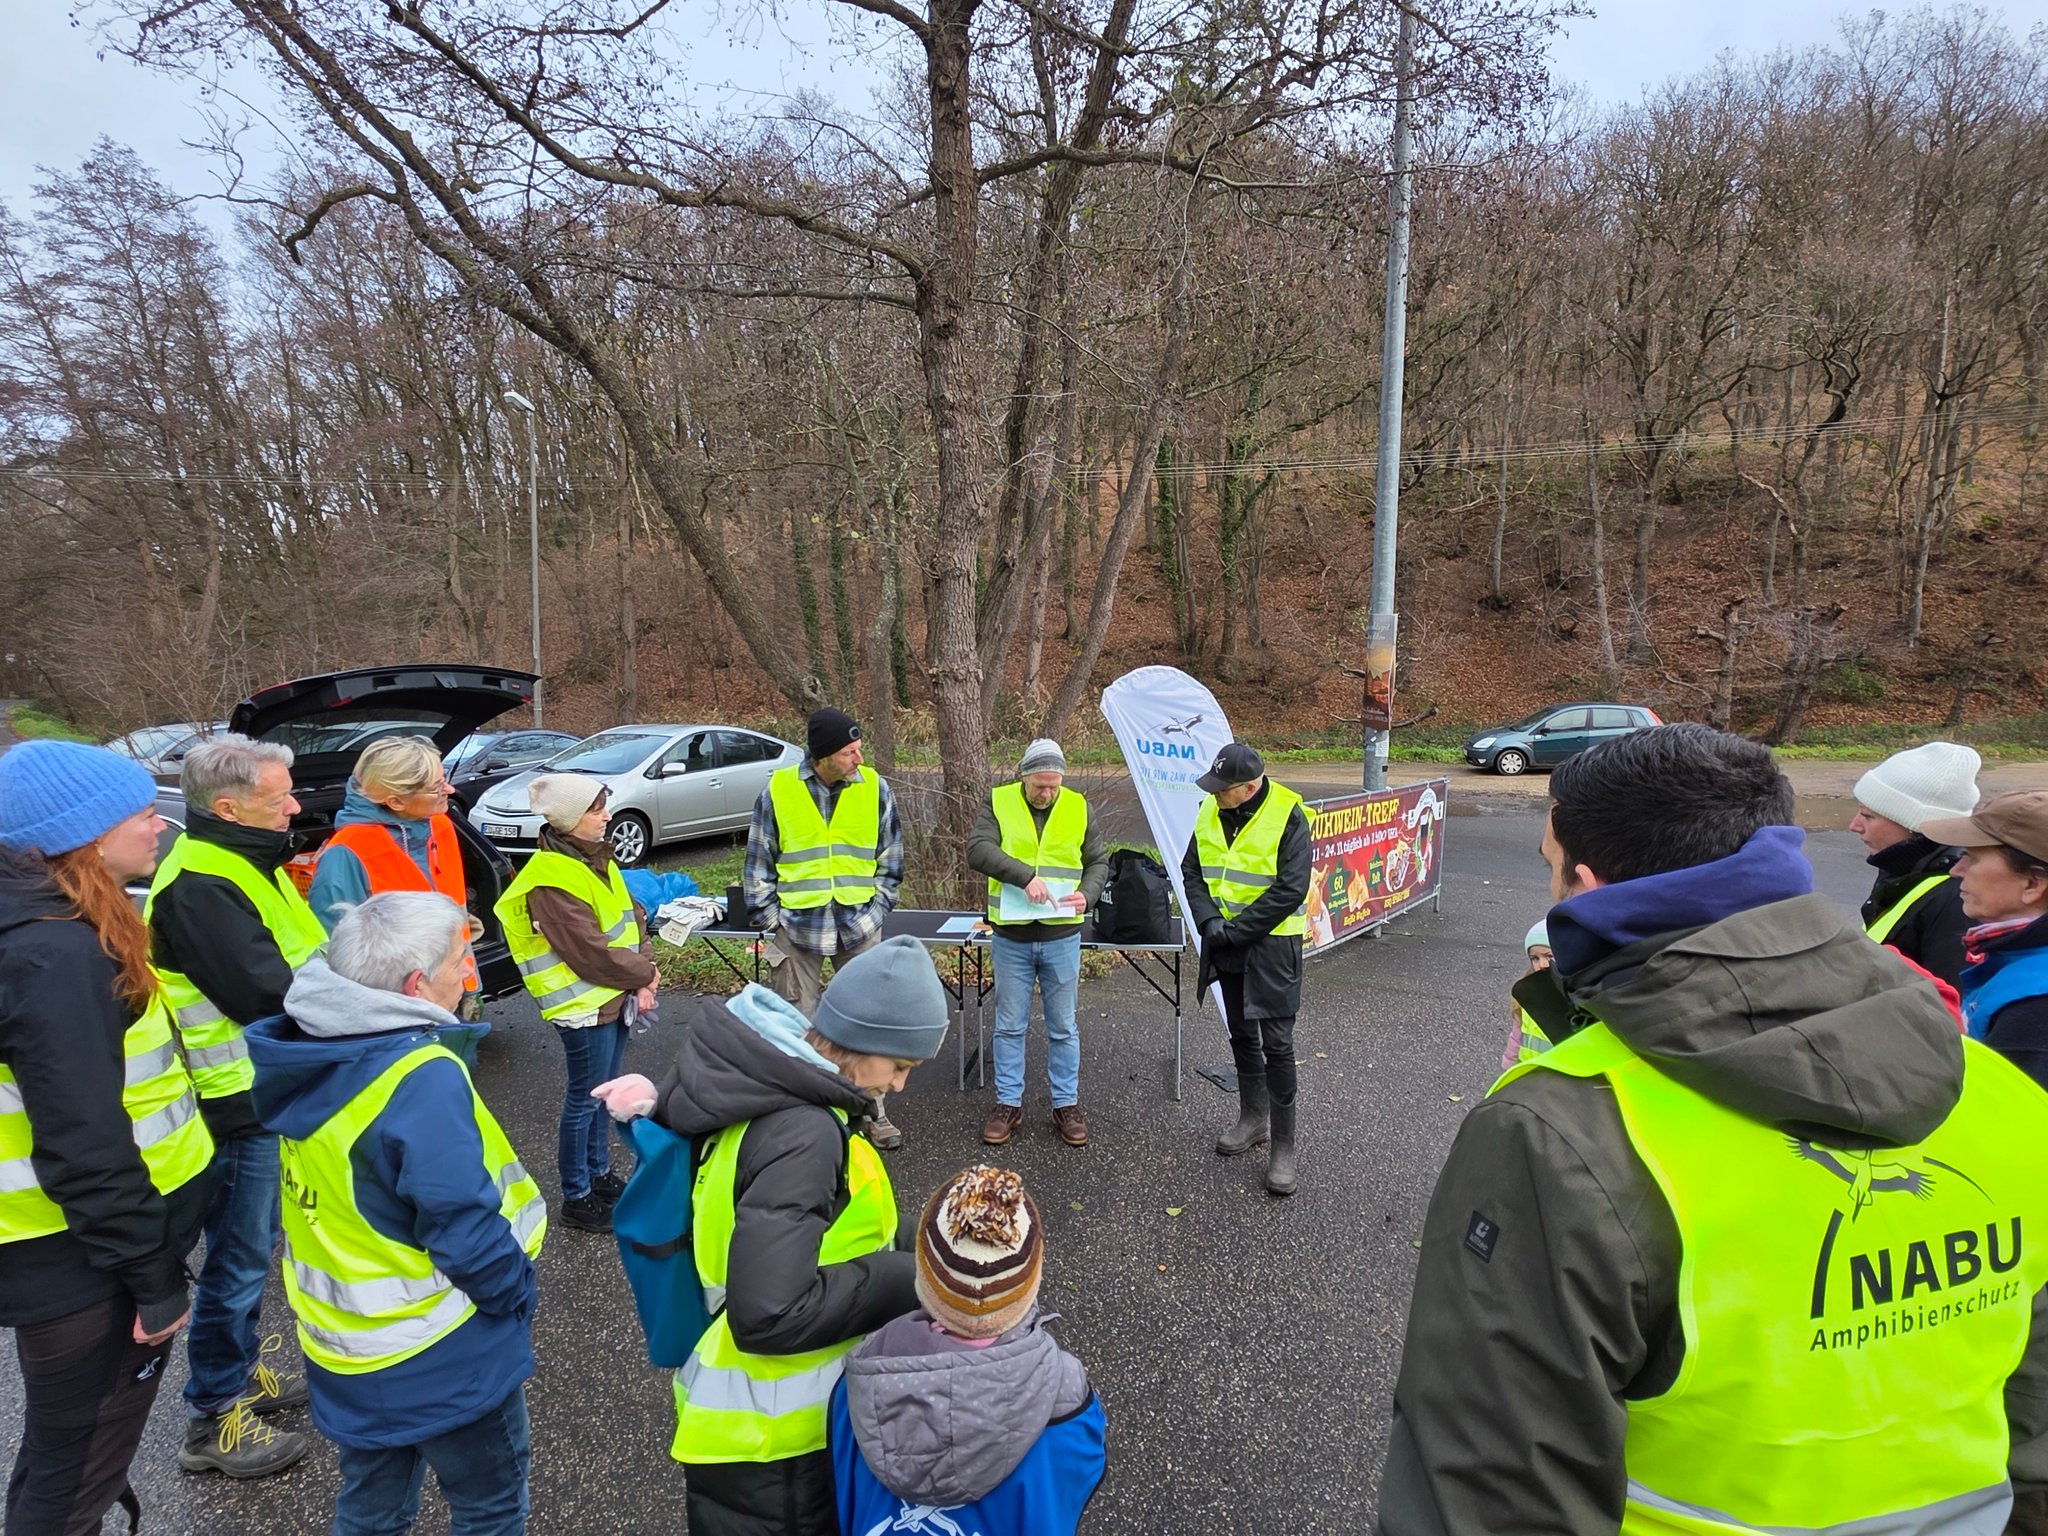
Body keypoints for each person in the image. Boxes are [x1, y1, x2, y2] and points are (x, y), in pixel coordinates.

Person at [1377, 725, 2048, 1536]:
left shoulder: (1564, 1125)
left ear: (1586, 885)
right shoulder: (2007, 1095)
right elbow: (2033, 1411)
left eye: (1550, 867)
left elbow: (1492, 1488)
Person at [592, 934, 949, 1536]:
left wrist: (934, 1243)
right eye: (901, 1066)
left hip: (747, 1432)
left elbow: (830, 1226)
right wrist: (912, 1280)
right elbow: (770, 1315)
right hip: (772, 1443)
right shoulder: (804, 1134)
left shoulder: (769, 1087)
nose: (901, 1085)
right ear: (866, 1045)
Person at [248, 891, 546, 1536]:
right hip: (442, 1346)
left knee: (372, 1508)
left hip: (346, 1345)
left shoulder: (313, 1048)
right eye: (460, 961)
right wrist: (515, 1295)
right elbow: (462, 1226)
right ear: (416, 984)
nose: (468, 974)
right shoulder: (418, 1073)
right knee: (490, 1507)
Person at [0, 740, 217, 1535]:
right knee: (76, 1476)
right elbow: (84, 1143)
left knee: (65, 1455)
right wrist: (153, 1277)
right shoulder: (54, 953)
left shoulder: (49, 924)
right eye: (137, 811)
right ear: (83, 835)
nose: (158, 824)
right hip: (84, 1264)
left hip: (72, 1252)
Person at [144, 734, 318, 1477]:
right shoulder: (204, 883)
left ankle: (238, 1375)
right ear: (228, 806)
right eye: (281, 795)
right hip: (234, 1101)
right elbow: (267, 995)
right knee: (240, 1260)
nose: (296, 805)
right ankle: (212, 1419)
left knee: (252, 1251)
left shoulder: (245, 861)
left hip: (259, 1091)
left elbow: (297, 959)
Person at [829, 1165, 1107, 1536]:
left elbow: (844, 1491)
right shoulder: (1065, 1397)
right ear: (1031, 1282)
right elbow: (1076, 1483)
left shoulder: (858, 1382)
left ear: (923, 1277)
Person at [493, 773, 658, 1234]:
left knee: (602, 1094)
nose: (606, 815)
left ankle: (599, 1176)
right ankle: (577, 1196)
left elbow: (633, 918)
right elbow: (587, 951)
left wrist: (644, 971)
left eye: (604, 806)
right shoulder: (550, 877)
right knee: (585, 1098)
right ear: (567, 820)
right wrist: (644, 974)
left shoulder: (594, 860)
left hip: (612, 995)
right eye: (595, 809)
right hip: (583, 1006)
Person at [743, 706, 907, 1149]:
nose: (859, 759)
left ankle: (874, 1112)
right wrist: (772, 921)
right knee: (798, 1024)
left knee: (869, 1022)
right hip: (797, 929)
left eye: (859, 749)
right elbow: (758, 864)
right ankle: (811, 1121)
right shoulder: (778, 792)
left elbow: (891, 862)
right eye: (849, 752)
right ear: (822, 756)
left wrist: (876, 914)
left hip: (859, 925)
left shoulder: (875, 789)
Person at [1181, 741, 1311, 1197]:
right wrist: (1210, 921)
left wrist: (1235, 932)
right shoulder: (1209, 811)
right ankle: (1253, 1118)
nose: (1215, 795)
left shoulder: (1289, 815)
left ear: (1250, 786)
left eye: (1223, 789)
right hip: (1227, 941)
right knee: (1240, 1034)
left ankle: (1283, 1146)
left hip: (1272, 946)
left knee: (1277, 1044)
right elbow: (1191, 872)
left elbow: (1291, 889)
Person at [966, 739, 1110, 1148]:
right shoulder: (998, 801)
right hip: (1011, 936)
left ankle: (1066, 1104)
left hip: (1061, 935)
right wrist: (1024, 876)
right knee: (1010, 1025)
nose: (1046, 794)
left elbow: (1098, 861)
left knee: (1063, 1027)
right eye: (1039, 786)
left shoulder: (1079, 807)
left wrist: (1090, 893)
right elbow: (977, 850)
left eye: (1053, 786)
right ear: (1023, 776)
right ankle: (1008, 1104)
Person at [308, 737, 481, 1060]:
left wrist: (469, 983)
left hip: (450, 993)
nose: (449, 791)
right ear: (396, 801)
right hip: (397, 1021)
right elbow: (341, 958)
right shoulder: (346, 855)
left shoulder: (439, 826)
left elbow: (452, 911)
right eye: (435, 787)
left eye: (443, 779)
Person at [1920, 788, 2048, 1086]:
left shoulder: (2034, 1007)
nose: (1956, 870)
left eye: (1972, 858)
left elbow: (2013, 1122)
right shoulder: (2017, 962)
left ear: (2032, 883)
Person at [1850, 740, 1982, 986]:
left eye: (1868, 816)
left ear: (1915, 824)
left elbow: (1947, 1011)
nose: (1854, 825)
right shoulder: (1903, 870)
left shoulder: (1956, 900)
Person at [1499, 917, 1560, 1070]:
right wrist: (1509, 1069)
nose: (1542, 964)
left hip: (1562, 1078)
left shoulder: (1576, 997)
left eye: (1549, 956)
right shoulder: (1525, 994)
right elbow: (1516, 1037)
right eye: (1535, 958)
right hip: (1530, 1075)